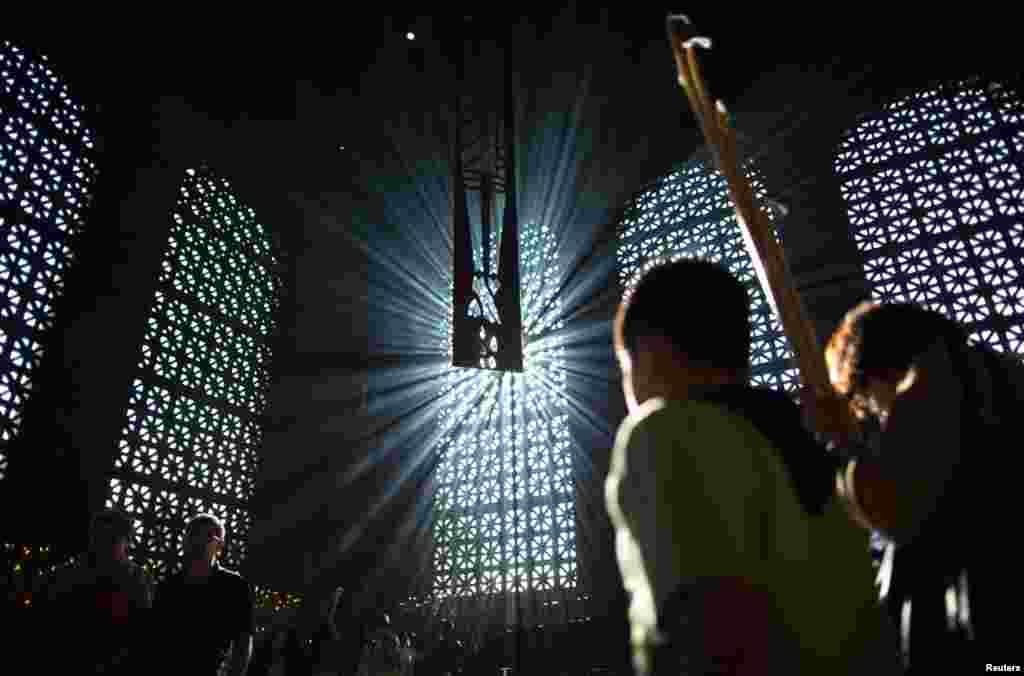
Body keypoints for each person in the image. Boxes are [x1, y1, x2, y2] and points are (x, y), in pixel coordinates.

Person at [605, 258, 899, 675]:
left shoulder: (664, 433)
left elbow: (694, 622)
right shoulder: (809, 451)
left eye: (625, 367)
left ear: (651, 351)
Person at [807, 300, 1024, 672]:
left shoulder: (933, 381)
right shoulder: (1003, 373)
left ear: (872, 373)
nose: (880, 416)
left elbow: (892, 506)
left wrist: (842, 443)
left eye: (869, 405)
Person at [45, 509, 154, 673]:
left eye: (112, 539)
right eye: (100, 538)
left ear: (127, 542)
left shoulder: (138, 578)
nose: (105, 545)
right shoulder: (72, 573)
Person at [154, 513, 255, 675]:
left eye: (207, 537)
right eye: (193, 534)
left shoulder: (235, 587)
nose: (198, 541)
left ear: (220, 546)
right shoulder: (168, 586)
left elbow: (242, 643)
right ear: (184, 541)